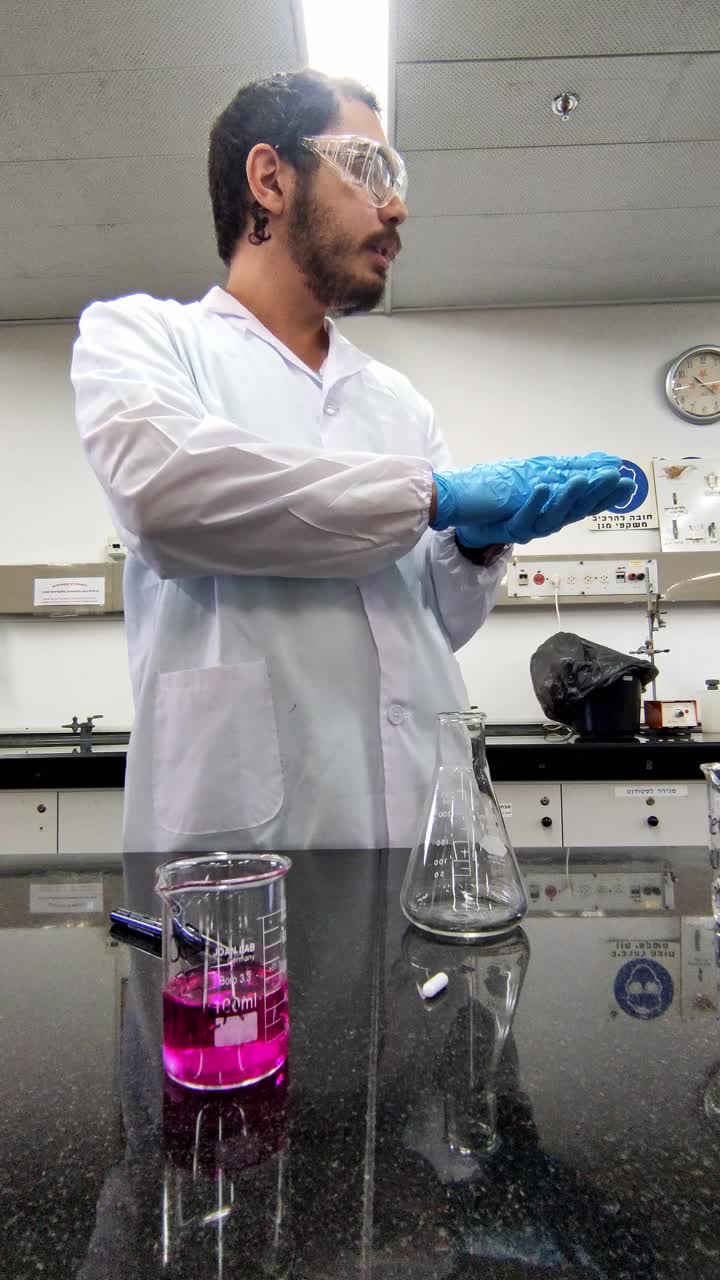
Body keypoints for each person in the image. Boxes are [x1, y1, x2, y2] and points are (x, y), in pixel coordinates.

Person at [71, 69, 631, 854]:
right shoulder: (142, 339)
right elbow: (167, 499)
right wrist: (433, 496)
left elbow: (434, 621)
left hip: (424, 838)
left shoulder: (395, 399)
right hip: (241, 845)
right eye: (369, 172)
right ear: (270, 178)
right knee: (247, 971)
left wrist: (475, 543)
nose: (396, 207)